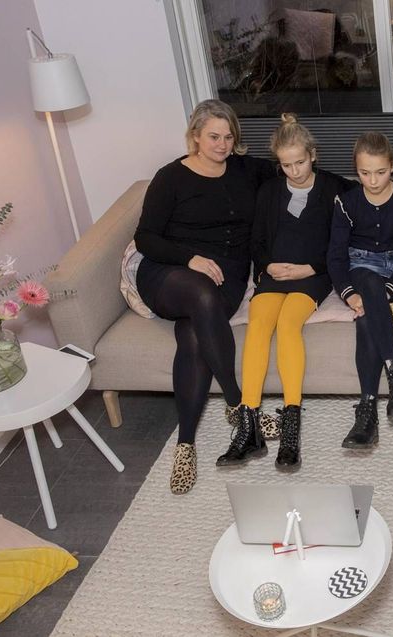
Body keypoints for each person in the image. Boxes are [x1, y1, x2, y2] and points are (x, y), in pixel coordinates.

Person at [134, 99, 275, 495]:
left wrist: (367, 188)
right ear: (194, 136)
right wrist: (190, 258)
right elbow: (145, 238)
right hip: (170, 272)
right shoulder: (170, 177)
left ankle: (185, 445)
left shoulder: (247, 170)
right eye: (214, 136)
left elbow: (298, 169)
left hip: (225, 278)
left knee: (193, 338)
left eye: (229, 137)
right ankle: (240, 406)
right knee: (199, 292)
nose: (223, 144)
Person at [218, 114, 355, 472]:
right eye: (286, 164)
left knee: (289, 325)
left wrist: (314, 267)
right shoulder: (269, 191)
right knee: (260, 326)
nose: (294, 171)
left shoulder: (335, 189)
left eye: (300, 162)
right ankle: (249, 428)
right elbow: (257, 240)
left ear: (313, 155)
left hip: (313, 275)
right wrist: (266, 267)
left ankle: (291, 428)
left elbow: (343, 239)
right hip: (273, 274)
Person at [328, 132, 393, 448]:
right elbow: (336, 257)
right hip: (360, 267)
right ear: (356, 171)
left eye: (380, 172)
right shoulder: (346, 202)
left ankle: (367, 411)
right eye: (365, 173)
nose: (373, 180)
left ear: (392, 166)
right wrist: (348, 293)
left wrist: (389, 290)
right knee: (367, 285)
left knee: (369, 312)